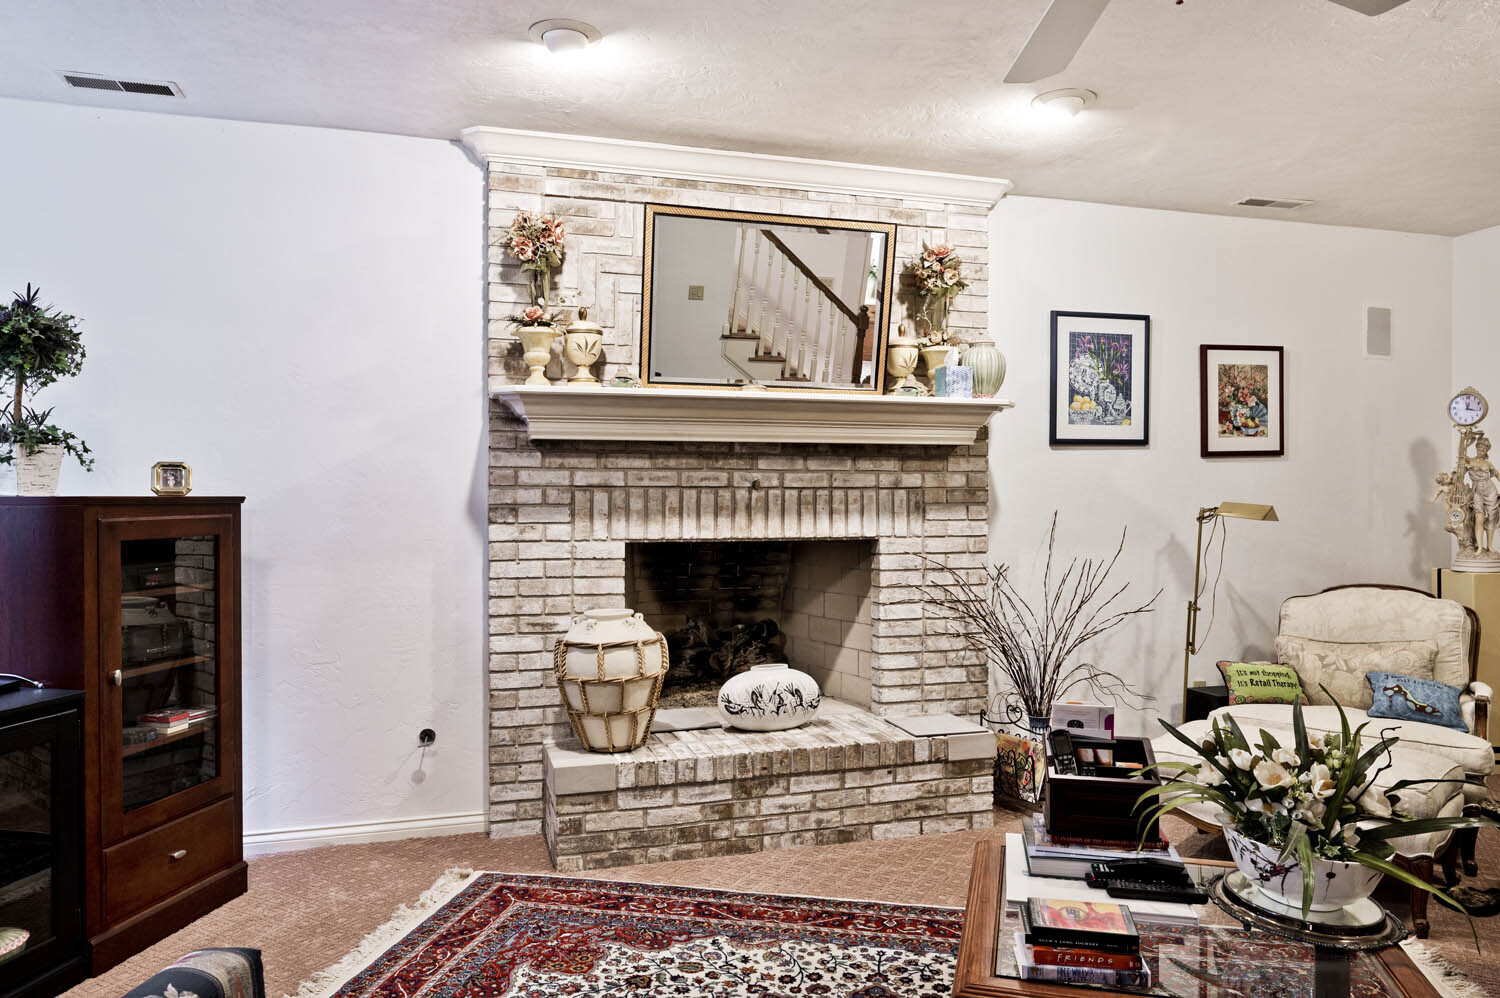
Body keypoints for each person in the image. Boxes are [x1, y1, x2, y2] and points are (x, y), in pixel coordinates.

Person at [1466, 435, 1500, 554]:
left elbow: (1497, 475)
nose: (1481, 451)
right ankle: (1480, 547)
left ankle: (1489, 546)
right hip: (1477, 492)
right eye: (1480, 448)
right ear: (1476, 448)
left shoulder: (1488, 463)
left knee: (1491, 518)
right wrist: (1467, 441)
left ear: (1487, 451)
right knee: (1479, 518)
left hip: (1490, 491)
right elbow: (1461, 456)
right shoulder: (1469, 460)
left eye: (1484, 449)